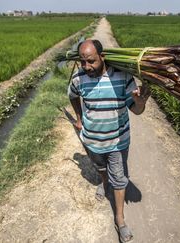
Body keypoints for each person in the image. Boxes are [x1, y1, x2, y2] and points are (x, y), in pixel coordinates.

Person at [68, 39, 150, 242]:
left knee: (119, 178)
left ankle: (120, 219)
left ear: (102, 57)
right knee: (101, 169)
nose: (87, 67)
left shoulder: (122, 76)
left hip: (117, 141)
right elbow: (72, 95)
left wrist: (140, 101)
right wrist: (79, 118)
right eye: (83, 62)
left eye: (91, 61)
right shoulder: (79, 77)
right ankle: (104, 184)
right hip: (92, 140)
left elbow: (137, 110)